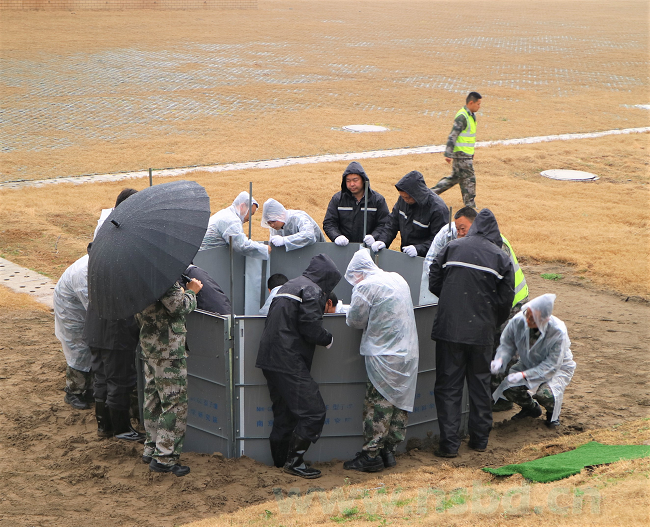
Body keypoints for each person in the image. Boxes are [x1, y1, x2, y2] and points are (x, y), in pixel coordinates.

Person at [422, 206, 529, 411]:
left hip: (511, 306)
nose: (461, 234)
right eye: (458, 230)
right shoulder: (474, 244)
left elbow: (498, 289)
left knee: (502, 354)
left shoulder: (497, 245)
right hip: (494, 306)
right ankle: (494, 397)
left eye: (463, 228)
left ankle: (515, 399)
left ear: (475, 223)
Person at [429, 209, 514, 457]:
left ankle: (449, 446)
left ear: (475, 227)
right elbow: (505, 300)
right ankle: (479, 441)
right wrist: (490, 321)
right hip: (481, 334)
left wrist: (449, 301)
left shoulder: (453, 248)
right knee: (480, 385)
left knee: (448, 388)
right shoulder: (501, 257)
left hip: (449, 331)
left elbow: (434, 277)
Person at [255, 254, 342, 478]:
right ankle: (294, 463)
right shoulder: (311, 290)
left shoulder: (288, 286)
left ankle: (280, 462)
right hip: (288, 360)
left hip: (269, 358)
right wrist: (328, 338)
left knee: (284, 413)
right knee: (314, 412)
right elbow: (310, 327)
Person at [343, 249, 419, 472]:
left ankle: (371, 455)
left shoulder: (365, 286)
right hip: (408, 352)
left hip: (384, 354)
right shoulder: (397, 278)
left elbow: (355, 320)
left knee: (378, 403)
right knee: (399, 401)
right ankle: (389, 451)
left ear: (359, 272)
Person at [137, 277, 203, 477]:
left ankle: (152, 448)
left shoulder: (134, 275)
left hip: (150, 345)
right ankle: (165, 458)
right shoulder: (161, 275)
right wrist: (191, 291)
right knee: (174, 403)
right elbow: (178, 307)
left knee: (153, 399)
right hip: (168, 350)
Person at [491, 294, 576, 427]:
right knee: (507, 386)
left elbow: (551, 366)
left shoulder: (558, 332)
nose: (528, 321)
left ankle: (552, 413)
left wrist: (524, 375)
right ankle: (530, 408)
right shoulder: (518, 321)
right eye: (528, 315)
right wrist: (500, 359)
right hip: (529, 362)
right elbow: (507, 344)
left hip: (558, 367)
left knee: (545, 394)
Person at [371, 170, 447, 257]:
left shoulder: (438, 210)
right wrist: (383, 240)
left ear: (417, 194)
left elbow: (440, 241)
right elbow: (392, 223)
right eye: (403, 197)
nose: (405, 200)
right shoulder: (403, 200)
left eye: (407, 197)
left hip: (427, 259)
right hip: (407, 255)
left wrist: (418, 249)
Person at [53, 254, 92, 410]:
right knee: (79, 349)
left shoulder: (99, 262)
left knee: (91, 346)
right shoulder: (83, 273)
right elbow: (94, 307)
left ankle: (89, 388)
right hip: (71, 310)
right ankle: (73, 392)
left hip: (81, 305)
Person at [431, 92, 482, 208]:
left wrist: (471, 153)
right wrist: (448, 153)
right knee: (469, 179)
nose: (479, 106)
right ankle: (470, 206)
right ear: (471, 103)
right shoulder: (462, 116)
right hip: (461, 155)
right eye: (478, 104)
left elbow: (468, 137)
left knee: (454, 178)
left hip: (466, 154)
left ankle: (429, 194)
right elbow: (453, 135)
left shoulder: (470, 116)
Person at [322, 161, 390, 246]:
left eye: (355, 180)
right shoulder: (338, 199)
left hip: (368, 249)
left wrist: (374, 237)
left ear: (363, 180)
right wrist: (336, 236)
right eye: (348, 181)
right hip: (344, 249)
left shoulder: (378, 200)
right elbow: (329, 222)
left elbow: (385, 223)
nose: (352, 184)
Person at [200, 192, 270, 259]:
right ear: (242, 206)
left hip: (206, 257)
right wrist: (264, 249)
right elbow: (241, 245)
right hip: (208, 259)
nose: (249, 218)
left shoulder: (226, 213)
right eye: (250, 213)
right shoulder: (231, 220)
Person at [261, 198, 325, 251]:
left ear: (281, 215)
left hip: (316, 252)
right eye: (268, 223)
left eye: (273, 221)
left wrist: (285, 240)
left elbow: (309, 235)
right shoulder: (275, 227)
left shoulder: (299, 218)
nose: (272, 225)